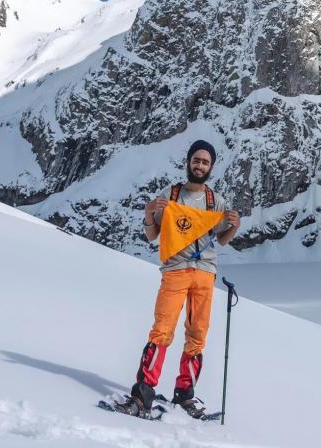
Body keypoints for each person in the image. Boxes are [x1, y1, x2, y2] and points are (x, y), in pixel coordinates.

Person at [116, 140, 240, 418]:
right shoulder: (170, 195)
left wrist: (234, 226)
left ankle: (185, 395)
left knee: (197, 335)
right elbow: (152, 235)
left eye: (205, 162)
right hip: (174, 271)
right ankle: (142, 395)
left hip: (205, 273)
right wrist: (150, 213)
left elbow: (221, 239)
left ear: (211, 167)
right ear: (188, 162)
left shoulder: (215, 201)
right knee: (162, 330)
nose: (200, 165)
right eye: (196, 160)